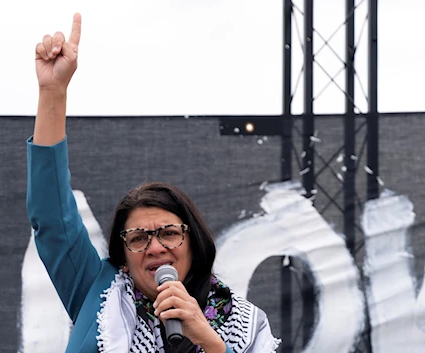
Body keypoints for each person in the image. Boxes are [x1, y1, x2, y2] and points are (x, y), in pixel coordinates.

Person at [26, 13, 280, 353]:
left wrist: (207, 339)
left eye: (169, 233)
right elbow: (52, 218)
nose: (155, 247)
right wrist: (53, 92)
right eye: (139, 238)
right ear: (124, 255)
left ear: (194, 241)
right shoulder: (99, 294)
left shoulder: (244, 323)